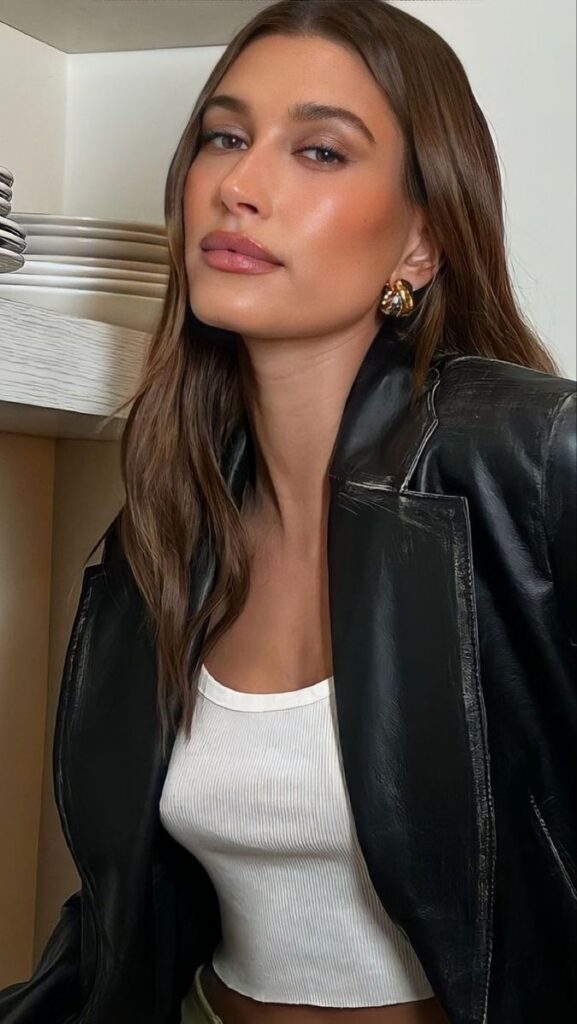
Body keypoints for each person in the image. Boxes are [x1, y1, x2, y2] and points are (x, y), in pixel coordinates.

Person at [1, 1, 575, 1022]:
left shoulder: (531, 463)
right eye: (224, 138)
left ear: (420, 241)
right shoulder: (156, 536)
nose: (239, 186)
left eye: (319, 151)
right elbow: (118, 927)